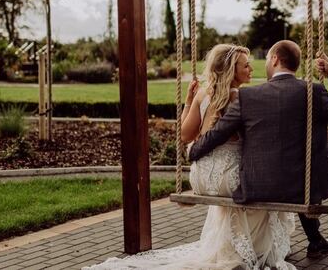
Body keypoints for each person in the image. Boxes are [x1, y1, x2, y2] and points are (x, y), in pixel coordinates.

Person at [85, 44, 295, 270]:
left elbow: (185, 135)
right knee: (268, 188)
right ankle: (257, 249)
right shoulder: (242, 98)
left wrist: (188, 101)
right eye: (246, 66)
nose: (251, 69)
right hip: (227, 178)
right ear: (231, 70)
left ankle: (233, 246)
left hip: (200, 176)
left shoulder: (203, 94)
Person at [189, 40, 328, 262]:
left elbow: (217, 133)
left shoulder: (249, 97)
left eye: (266, 59)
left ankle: (317, 241)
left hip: (258, 186)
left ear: (274, 58)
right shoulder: (313, 91)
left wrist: (193, 152)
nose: (264, 64)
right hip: (304, 187)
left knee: (299, 171)